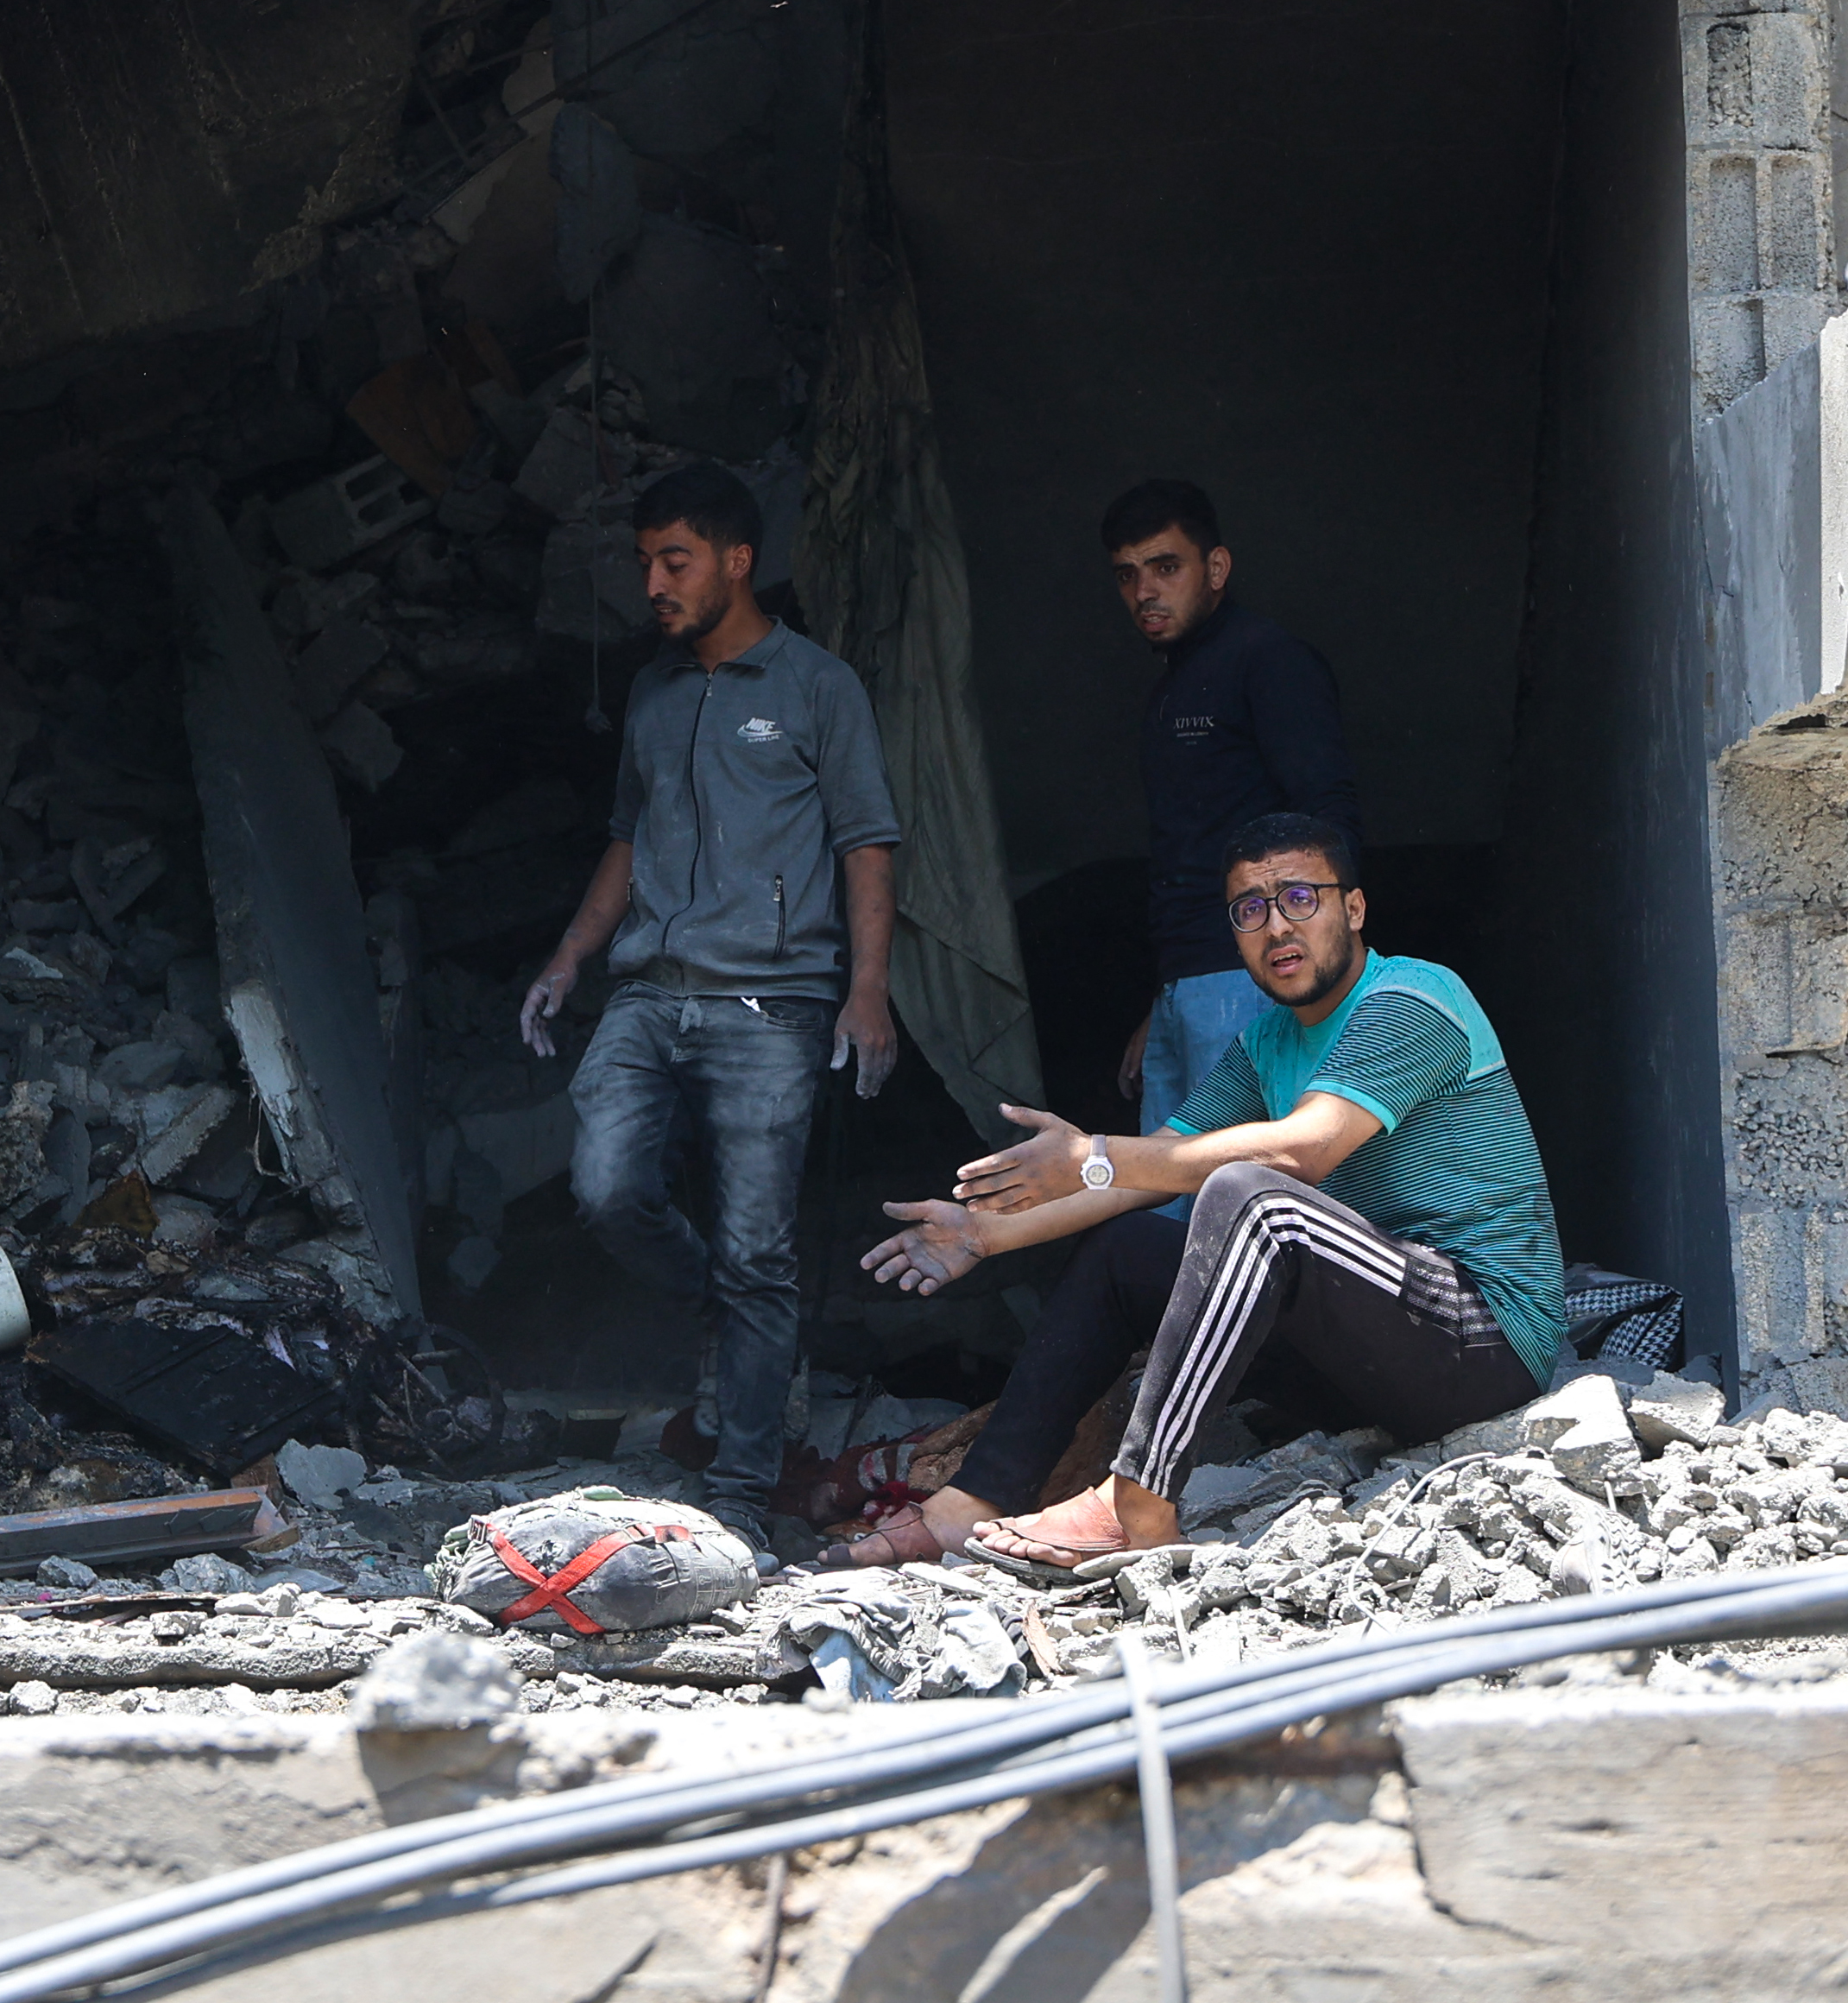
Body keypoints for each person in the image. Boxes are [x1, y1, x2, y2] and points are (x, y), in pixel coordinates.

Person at [835, 812, 1562, 1570]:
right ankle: (970, 1503)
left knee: (1256, 1197)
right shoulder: (1265, 1042)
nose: (1276, 926)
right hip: (1366, 1366)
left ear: (1353, 908)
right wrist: (986, 1234)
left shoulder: (1411, 998)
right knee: (1129, 1247)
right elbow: (1144, 1171)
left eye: (1300, 898)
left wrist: (1092, 1154)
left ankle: (1138, 1502)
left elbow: (1304, 1149)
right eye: (1250, 909)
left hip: (1480, 1348)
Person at [521, 463, 906, 1544]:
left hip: (774, 1006)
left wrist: (866, 990)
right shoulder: (653, 693)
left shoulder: (818, 686)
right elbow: (628, 838)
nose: (653, 582)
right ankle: (723, 1308)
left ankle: (739, 1492)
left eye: (674, 560)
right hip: (651, 992)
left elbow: (866, 842)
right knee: (607, 1187)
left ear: (737, 562)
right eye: (646, 561)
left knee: (760, 1251)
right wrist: (569, 959)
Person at [1099, 479, 1358, 1138]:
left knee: (1239, 1185)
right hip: (1189, 980)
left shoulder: (1268, 661)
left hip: (1254, 978)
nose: (1145, 591)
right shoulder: (1173, 686)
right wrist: (1166, 1002)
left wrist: (1318, 983)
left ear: (1216, 568)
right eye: (1127, 575)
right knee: (1168, 1190)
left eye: (1166, 567)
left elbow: (1326, 815)